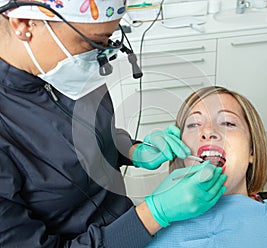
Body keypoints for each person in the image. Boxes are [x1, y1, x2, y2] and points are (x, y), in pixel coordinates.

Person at [0, 1, 227, 247]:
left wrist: (131, 150)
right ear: (23, 24)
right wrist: (153, 214)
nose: (101, 53)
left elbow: (84, 133)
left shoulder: (70, 68)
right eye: (94, 42)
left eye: (109, 39)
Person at [146, 86, 267, 247]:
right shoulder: (147, 223)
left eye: (227, 122)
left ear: (252, 151)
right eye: (193, 124)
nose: (208, 131)